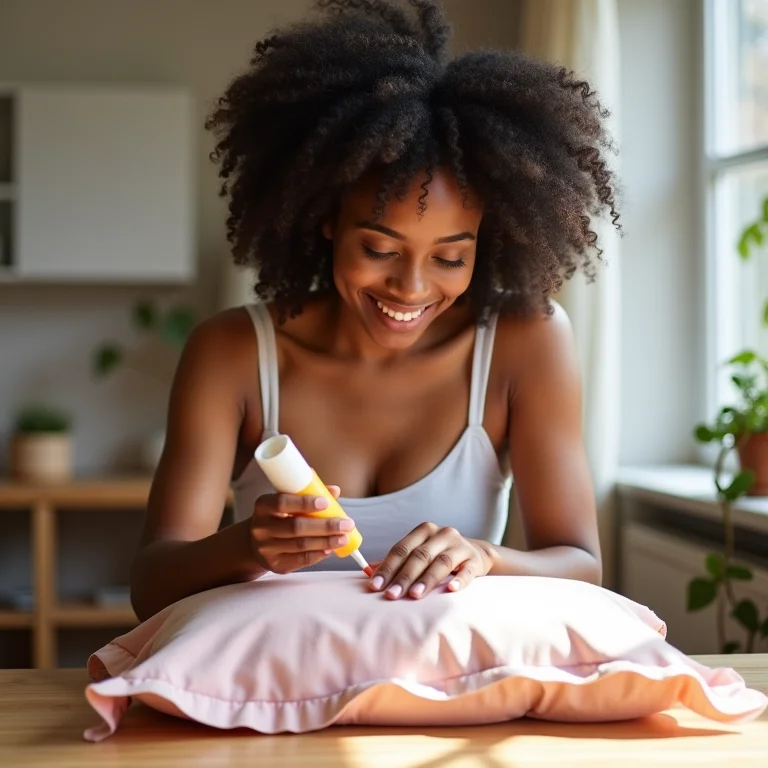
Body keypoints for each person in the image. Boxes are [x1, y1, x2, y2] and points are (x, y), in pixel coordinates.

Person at [130, 0, 620, 622]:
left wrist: (484, 558)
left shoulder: (527, 341)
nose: (410, 288)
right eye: (380, 248)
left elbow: (579, 563)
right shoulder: (232, 353)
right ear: (327, 219)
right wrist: (246, 545)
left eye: (449, 257)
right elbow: (150, 587)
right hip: (277, 694)